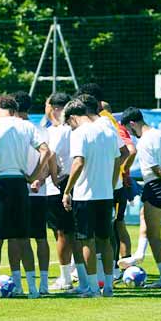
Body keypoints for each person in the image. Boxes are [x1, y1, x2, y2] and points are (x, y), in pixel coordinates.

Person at [0, 95, 49, 300]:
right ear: (14, 110)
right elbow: (45, 151)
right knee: (23, 237)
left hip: (0, 182)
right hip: (20, 183)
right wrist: (33, 175)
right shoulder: (26, 126)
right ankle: (33, 289)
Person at [118, 107, 161, 288]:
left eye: (129, 130)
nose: (130, 134)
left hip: (157, 186)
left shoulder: (145, 142)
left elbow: (158, 170)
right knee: (143, 217)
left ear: (132, 124)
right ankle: (139, 254)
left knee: (154, 236)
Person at [62, 99, 121, 297]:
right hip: (105, 194)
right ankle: (109, 287)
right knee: (105, 240)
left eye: (68, 123)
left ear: (72, 118)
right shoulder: (108, 131)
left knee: (87, 241)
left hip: (85, 195)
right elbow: (117, 161)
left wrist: (67, 190)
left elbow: (78, 162)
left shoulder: (80, 133)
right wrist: (111, 186)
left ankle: (93, 288)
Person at [77, 83, 136, 279]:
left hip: (107, 185)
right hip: (109, 184)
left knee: (109, 229)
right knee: (110, 228)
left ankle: (114, 270)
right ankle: (109, 273)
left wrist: (121, 172)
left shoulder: (104, 122)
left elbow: (127, 149)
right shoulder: (105, 121)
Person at [12, 92, 50, 295]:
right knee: (40, 238)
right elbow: (48, 157)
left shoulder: (12, 130)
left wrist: (31, 177)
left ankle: (19, 285)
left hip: (17, 190)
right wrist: (39, 178)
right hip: (39, 191)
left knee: (18, 239)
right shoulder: (42, 131)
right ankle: (43, 284)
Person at [43, 93, 76, 290]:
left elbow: (51, 155)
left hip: (60, 184)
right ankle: (74, 272)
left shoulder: (59, 130)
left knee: (62, 232)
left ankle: (65, 277)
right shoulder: (72, 129)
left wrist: (51, 178)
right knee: (70, 232)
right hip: (71, 183)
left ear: (54, 108)